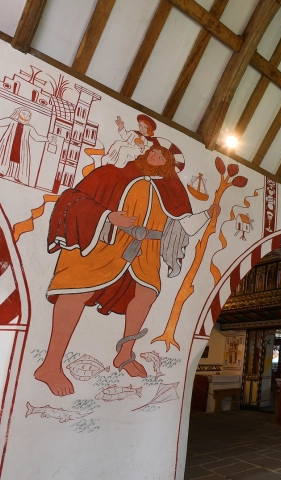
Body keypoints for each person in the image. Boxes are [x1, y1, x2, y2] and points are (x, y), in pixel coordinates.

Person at [35, 145, 219, 397]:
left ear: (169, 164)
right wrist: (108, 216)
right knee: (74, 290)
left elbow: (184, 225)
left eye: (163, 155)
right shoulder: (111, 174)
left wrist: (207, 214)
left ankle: (124, 354)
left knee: (146, 295)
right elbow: (73, 198)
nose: (156, 155)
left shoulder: (173, 190)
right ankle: (50, 366)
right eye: (153, 152)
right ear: (144, 156)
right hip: (105, 243)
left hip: (145, 251)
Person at [0, 107, 53, 185]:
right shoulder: (11, 121)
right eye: (23, 113)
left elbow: (36, 137)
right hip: (9, 143)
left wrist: (47, 139)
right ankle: (2, 171)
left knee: (19, 160)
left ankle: (18, 176)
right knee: (6, 156)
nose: (26, 116)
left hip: (22, 146)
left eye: (28, 115)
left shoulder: (29, 127)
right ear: (18, 113)